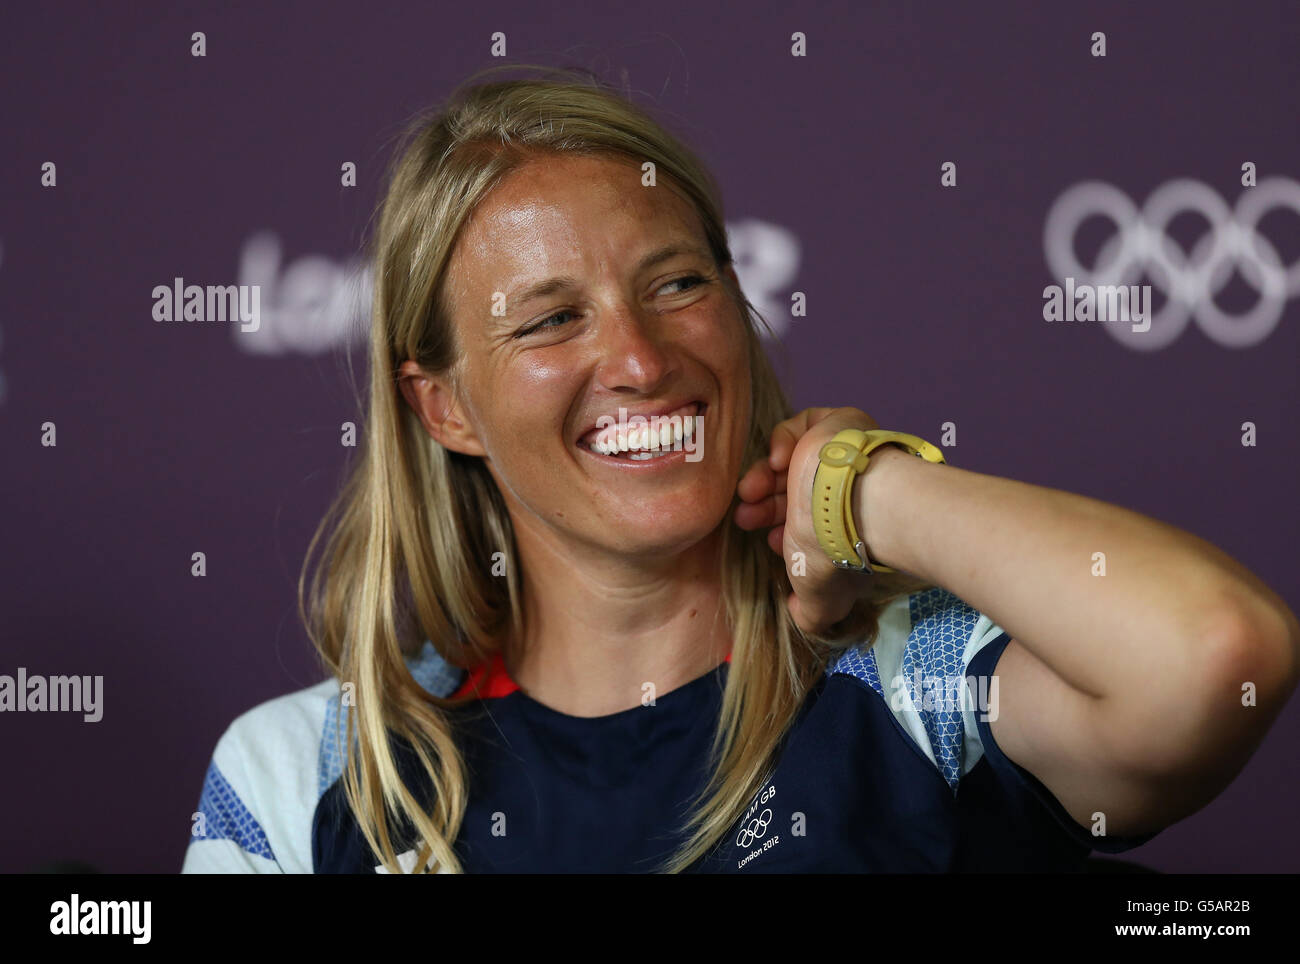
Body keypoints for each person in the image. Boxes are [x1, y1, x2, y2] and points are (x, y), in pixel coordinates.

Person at [182, 65, 1300, 874]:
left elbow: (1218, 655)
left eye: (676, 284)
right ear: (442, 404)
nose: (637, 358)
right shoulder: (313, 772)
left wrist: (862, 491)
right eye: (550, 319)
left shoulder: (906, 688)